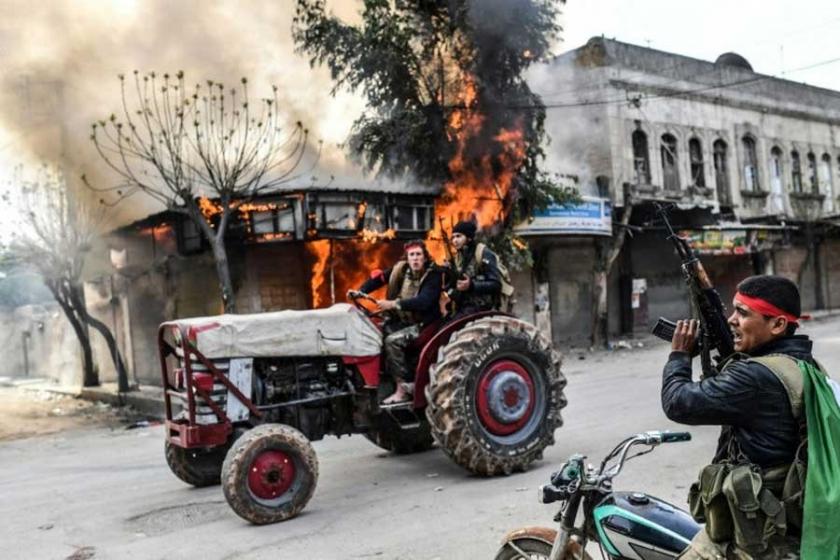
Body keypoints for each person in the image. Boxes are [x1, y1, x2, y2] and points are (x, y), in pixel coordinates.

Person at [662, 275, 817, 559]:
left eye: (743, 313)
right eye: (733, 310)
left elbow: (678, 403)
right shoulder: (803, 364)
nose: (732, 319)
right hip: (790, 521)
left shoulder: (754, 377)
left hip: (757, 534)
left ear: (778, 324)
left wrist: (679, 356)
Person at [354, 240, 442, 404]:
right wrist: (360, 291)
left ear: (425, 257)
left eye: (418, 255)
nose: (415, 259)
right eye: (412, 255)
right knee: (376, 332)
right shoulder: (401, 270)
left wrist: (394, 304)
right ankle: (378, 382)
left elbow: (424, 301)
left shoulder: (433, 275)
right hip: (403, 321)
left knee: (392, 342)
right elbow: (379, 279)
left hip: (424, 325)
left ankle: (404, 388)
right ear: (407, 258)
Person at [445, 220, 502, 318]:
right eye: (453, 237)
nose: (455, 240)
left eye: (458, 236)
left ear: (469, 237)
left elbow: (496, 285)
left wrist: (472, 286)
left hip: (481, 308)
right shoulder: (458, 257)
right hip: (463, 307)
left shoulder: (483, 253)